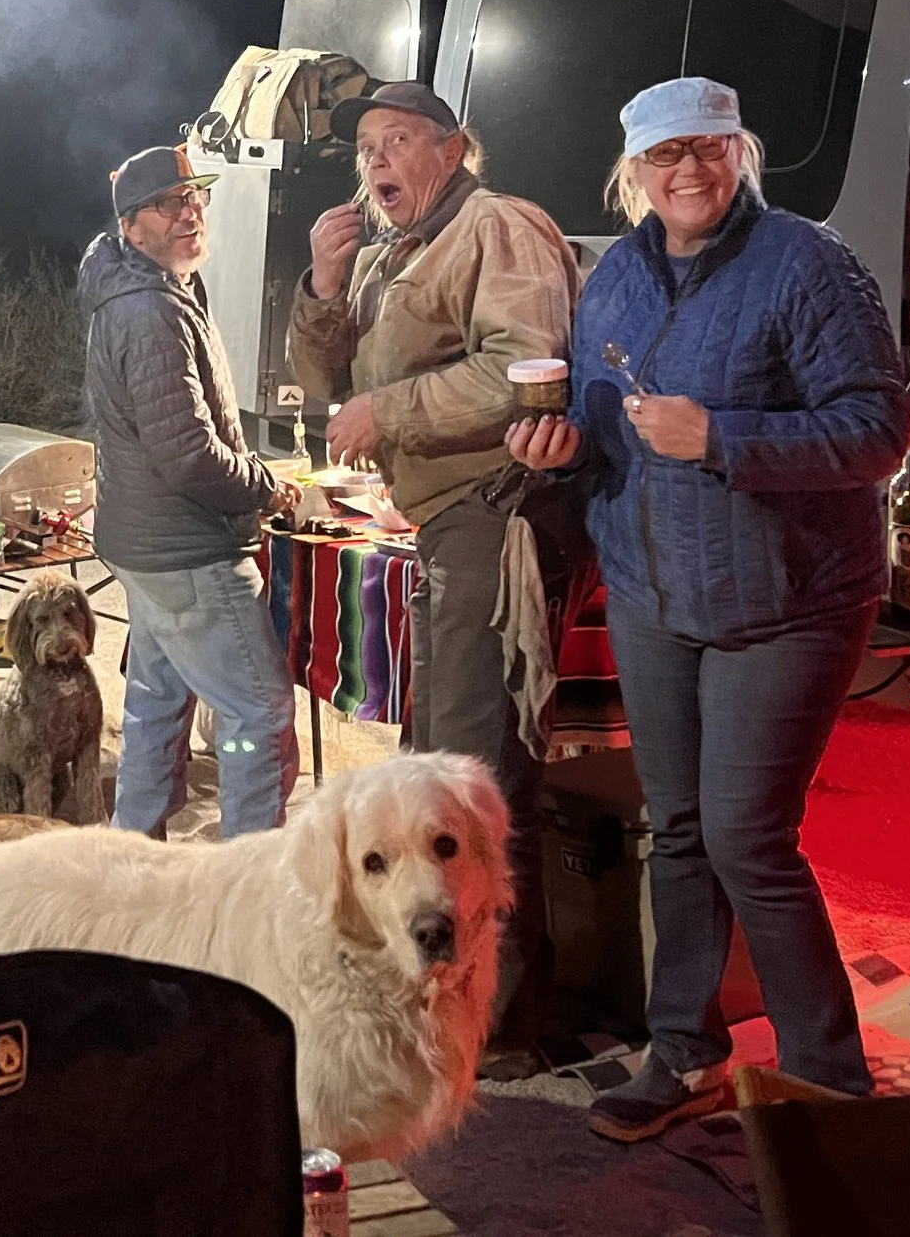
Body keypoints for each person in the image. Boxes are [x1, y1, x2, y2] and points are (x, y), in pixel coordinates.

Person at [506, 76, 908, 1138]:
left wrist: (724, 437)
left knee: (746, 837)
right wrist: (560, 448)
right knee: (677, 829)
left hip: (788, 596)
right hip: (653, 591)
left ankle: (828, 1087)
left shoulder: (806, 263)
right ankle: (684, 1054)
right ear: (633, 170)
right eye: (665, 153)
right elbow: (601, 424)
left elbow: (880, 431)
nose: (687, 169)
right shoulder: (616, 277)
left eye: (707, 147)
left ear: (740, 153)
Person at [285, 80, 581, 1079]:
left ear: (453, 149)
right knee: (438, 761)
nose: (376, 159)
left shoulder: (497, 227)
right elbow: (325, 387)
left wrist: (392, 411)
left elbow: (528, 367)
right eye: (366, 145)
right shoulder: (386, 253)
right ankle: (453, 986)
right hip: (442, 523)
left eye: (399, 139)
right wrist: (323, 286)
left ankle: (500, 1019)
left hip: (499, 516)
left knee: (473, 776)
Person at [81, 143, 301, 839]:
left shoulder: (147, 290)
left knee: (156, 701)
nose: (189, 212)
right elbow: (186, 455)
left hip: (146, 546)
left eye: (194, 197)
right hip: (187, 550)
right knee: (257, 714)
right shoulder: (151, 310)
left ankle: (133, 860)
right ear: (130, 226)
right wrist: (268, 488)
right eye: (166, 204)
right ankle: (251, 875)